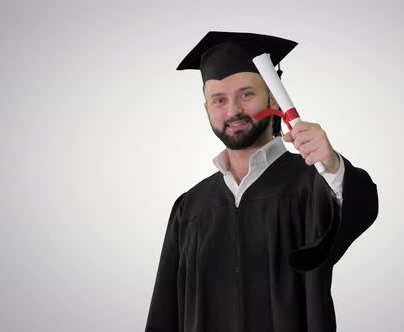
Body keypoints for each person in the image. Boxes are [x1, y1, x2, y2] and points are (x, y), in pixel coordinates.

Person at [145, 31, 378, 332]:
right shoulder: (190, 207)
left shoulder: (312, 183)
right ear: (207, 110)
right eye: (219, 100)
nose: (232, 111)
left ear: (272, 95)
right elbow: (167, 309)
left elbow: (360, 210)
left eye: (246, 94)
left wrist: (331, 165)